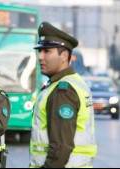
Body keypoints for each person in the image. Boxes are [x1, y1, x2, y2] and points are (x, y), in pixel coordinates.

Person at [29, 22, 97, 168]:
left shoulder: (62, 91)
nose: (40, 56)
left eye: (47, 51)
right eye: (39, 51)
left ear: (64, 56)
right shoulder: (75, 82)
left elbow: (61, 148)